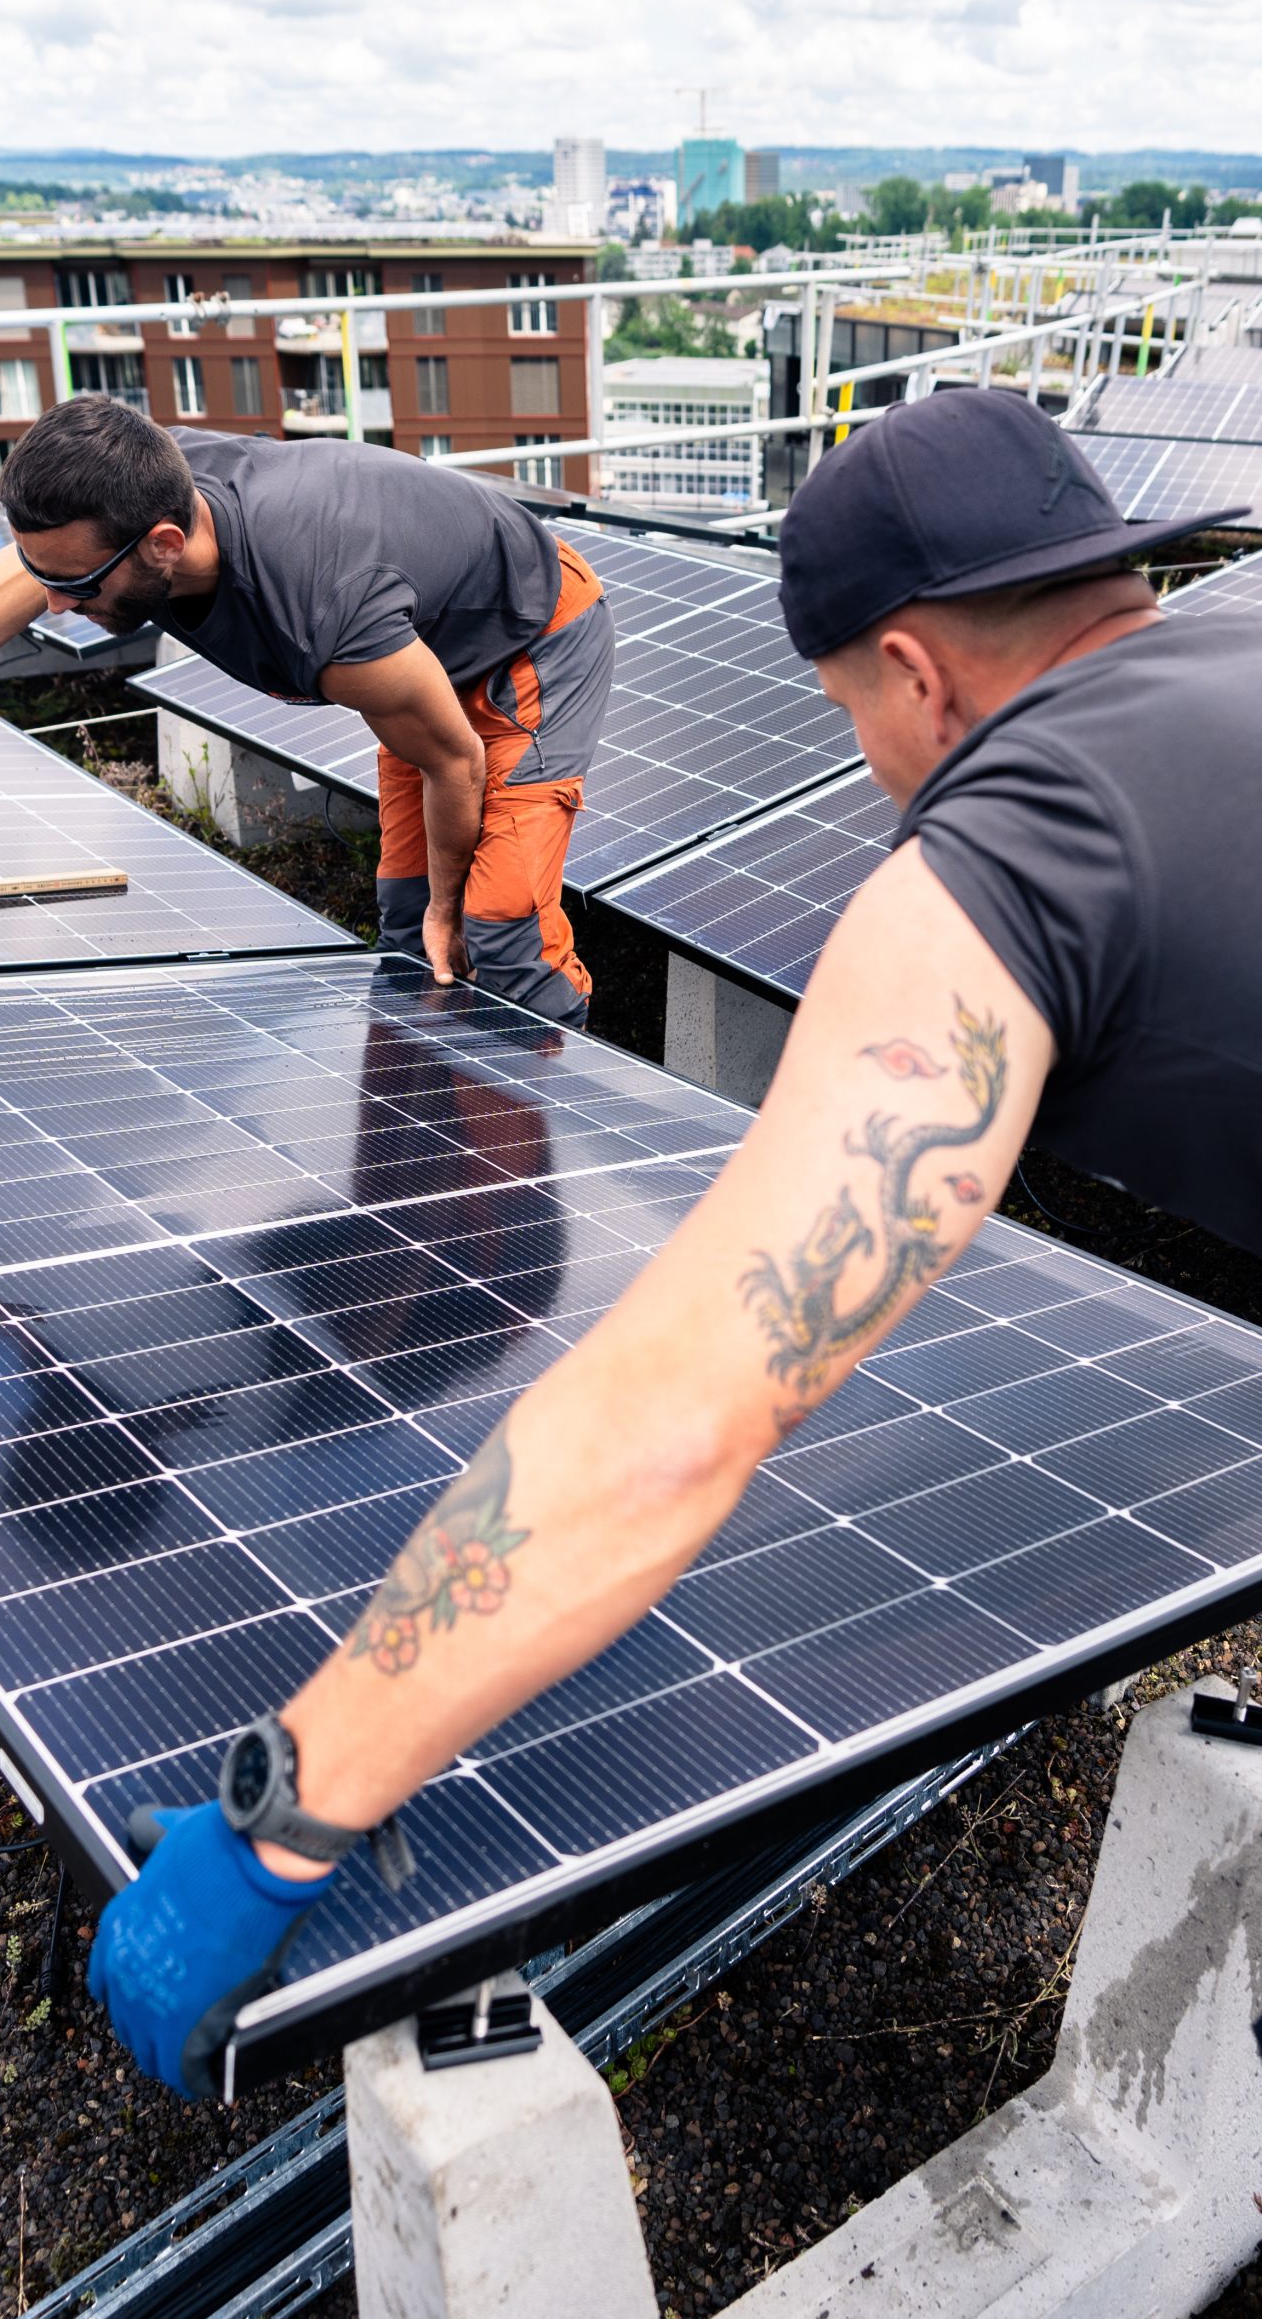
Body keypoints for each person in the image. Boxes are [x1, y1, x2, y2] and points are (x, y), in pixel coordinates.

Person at [83, 386, 1256, 2097]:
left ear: (911, 672)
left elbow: (678, 1416)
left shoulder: (1011, 850)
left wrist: (284, 1812)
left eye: (846, 710)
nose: (873, 769)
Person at [0, 398, 616, 1028]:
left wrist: (450, 906)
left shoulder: (322, 603)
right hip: (414, 647)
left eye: (76, 585)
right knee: (404, 919)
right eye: (40, 576)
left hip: (523, 642)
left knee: (496, 924)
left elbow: (454, 761)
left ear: (164, 544)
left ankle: (561, 1130)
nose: (54, 606)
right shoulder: (118, 492)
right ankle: (428, 1171)